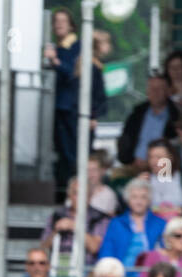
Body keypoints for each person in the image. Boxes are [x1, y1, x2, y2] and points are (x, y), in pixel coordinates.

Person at [44, 8, 105, 188]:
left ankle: (79, 190)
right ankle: (66, 191)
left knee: (76, 153)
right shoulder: (58, 48)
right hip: (61, 108)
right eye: (56, 21)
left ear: (71, 26)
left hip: (75, 109)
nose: (59, 24)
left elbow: (74, 74)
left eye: (63, 21)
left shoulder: (77, 48)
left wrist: (55, 61)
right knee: (64, 153)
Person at [117, 73, 178, 175]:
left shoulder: (175, 116)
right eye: (152, 88)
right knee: (115, 179)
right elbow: (125, 140)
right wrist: (128, 159)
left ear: (168, 91)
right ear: (147, 90)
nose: (155, 92)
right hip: (133, 166)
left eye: (160, 88)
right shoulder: (137, 114)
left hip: (163, 169)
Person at [41, 177, 108, 260]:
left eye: (84, 194)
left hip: (86, 268)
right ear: (69, 195)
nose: (80, 198)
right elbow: (43, 248)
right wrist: (56, 231)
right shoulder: (57, 215)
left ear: (90, 196)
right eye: (76, 193)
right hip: (59, 267)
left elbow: (95, 248)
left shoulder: (99, 218)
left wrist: (74, 226)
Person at [142, 139, 182, 219]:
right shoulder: (144, 179)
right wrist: (139, 185)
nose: (154, 161)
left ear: (171, 158)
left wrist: (178, 211)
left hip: (179, 225)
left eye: (159, 157)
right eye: (151, 157)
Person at [86, 152, 118, 216]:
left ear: (102, 171)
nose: (91, 174)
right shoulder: (76, 191)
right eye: (87, 170)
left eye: (94, 170)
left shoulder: (109, 194)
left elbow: (110, 220)